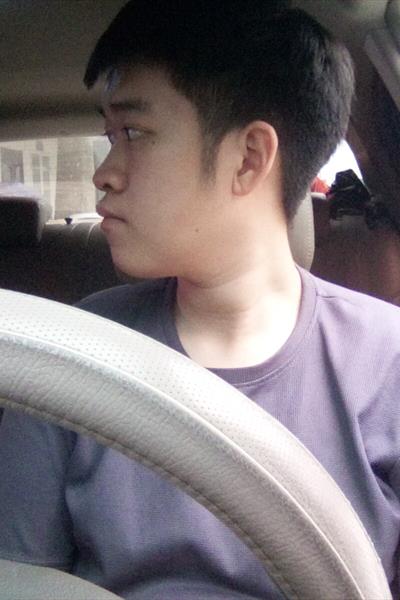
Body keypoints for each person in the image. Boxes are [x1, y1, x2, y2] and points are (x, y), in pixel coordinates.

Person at [0, 1, 399, 598]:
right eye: (109, 137)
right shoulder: (69, 355)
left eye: (133, 133)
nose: (103, 173)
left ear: (249, 158)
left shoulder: (388, 363)